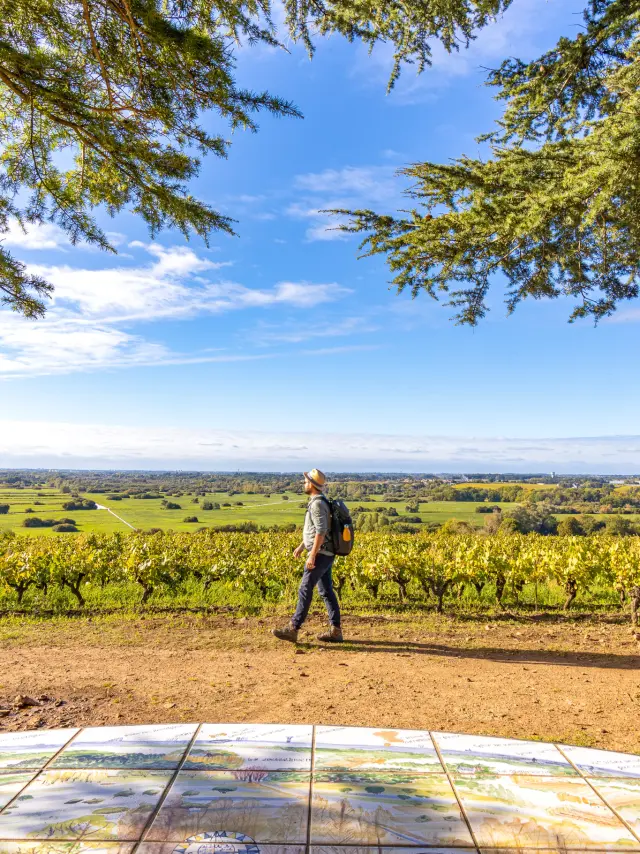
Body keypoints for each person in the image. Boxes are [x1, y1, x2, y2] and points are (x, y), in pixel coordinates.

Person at [272, 469, 343, 643]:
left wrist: (312, 555)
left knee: (305, 588)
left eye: (305, 481)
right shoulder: (318, 502)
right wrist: (302, 546)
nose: (304, 484)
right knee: (326, 591)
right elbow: (314, 531)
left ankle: (293, 628)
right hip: (324, 553)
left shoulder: (318, 504)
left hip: (320, 554)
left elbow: (321, 531)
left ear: (311, 484)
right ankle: (336, 631)